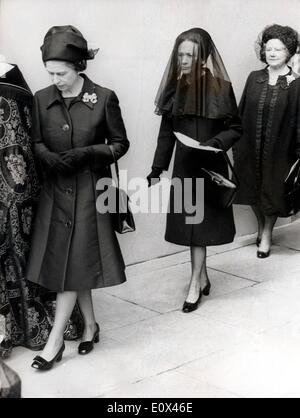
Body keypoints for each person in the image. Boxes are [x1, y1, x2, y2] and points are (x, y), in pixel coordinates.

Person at [26, 25, 129, 370]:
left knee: (72, 265)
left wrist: (89, 153)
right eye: (50, 73)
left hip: (89, 193)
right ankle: (91, 326)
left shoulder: (104, 97)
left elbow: (120, 144)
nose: (55, 79)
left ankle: (54, 343)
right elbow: (37, 142)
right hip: (56, 194)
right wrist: (47, 158)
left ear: (79, 67)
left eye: (62, 73)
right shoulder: (41, 98)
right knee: (75, 262)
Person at [147, 28, 242, 313]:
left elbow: (236, 128)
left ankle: (194, 284)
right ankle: (200, 277)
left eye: (190, 54)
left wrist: (217, 143)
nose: (184, 59)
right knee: (192, 227)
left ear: (203, 57)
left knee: (201, 228)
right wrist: (157, 168)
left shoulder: (222, 88)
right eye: (180, 54)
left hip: (211, 168)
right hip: (185, 169)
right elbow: (166, 134)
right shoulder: (173, 88)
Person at [0, 59, 83, 359]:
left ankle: (43, 328)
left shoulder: (10, 71)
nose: (55, 78)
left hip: (20, 183)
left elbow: (29, 131)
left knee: (24, 247)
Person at [233, 24, 300, 258]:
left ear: (289, 52)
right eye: (269, 48)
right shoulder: (254, 78)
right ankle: (261, 226)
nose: (272, 53)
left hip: (280, 149)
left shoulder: (296, 83)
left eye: (278, 49)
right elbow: (241, 113)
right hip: (250, 145)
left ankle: (267, 233)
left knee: (273, 190)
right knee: (252, 188)